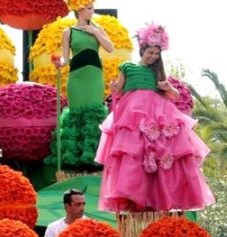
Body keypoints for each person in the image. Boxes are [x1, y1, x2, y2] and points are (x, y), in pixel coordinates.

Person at [95, 23, 215, 212]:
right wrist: (114, 88)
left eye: (156, 54)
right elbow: (118, 90)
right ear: (142, 49)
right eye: (150, 52)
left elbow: (175, 96)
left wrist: (169, 88)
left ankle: (158, 196)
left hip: (157, 112)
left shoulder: (157, 72)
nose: (153, 56)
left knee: (160, 154)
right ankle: (135, 194)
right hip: (132, 113)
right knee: (133, 153)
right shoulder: (127, 66)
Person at [45, 0, 114, 169]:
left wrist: (95, 33)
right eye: (90, 9)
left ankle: (95, 160)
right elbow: (66, 58)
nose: (92, 12)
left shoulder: (98, 29)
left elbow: (110, 48)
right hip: (76, 77)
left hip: (94, 77)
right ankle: (73, 163)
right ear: (80, 10)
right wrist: (59, 63)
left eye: (92, 8)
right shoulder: (68, 32)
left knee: (94, 112)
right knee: (76, 115)